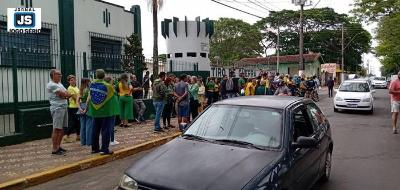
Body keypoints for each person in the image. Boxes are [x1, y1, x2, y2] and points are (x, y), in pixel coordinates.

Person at [87, 69, 119, 155]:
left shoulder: (92, 84)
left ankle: (94, 148)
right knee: (105, 130)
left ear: (96, 75)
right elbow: (113, 94)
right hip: (106, 111)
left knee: (95, 130)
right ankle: (104, 149)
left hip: (95, 111)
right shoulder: (108, 86)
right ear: (104, 75)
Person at [47, 69, 71, 155]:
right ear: (53, 75)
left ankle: (58, 146)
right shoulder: (51, 85)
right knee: (57, 128)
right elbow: (64, 94)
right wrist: (66, 95)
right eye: (58, 74)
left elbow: (67, 93)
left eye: (60, 74)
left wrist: (65, 95)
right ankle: (54, 149)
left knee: (62, 128)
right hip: (57, 108)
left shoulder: (59, 84)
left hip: (64, 107)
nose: (60, 76)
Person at [64, 75, 80, 143]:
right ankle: (66, 135)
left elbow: (79, 95)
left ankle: (78, 136)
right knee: (74, 122)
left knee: (78, 122)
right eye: (71, 80)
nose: (73, 81)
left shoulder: (76, 87)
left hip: (78, 106)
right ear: (69, 81)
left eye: (74, 80)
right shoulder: (70, 88)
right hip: (73, 107)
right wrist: (79, 98)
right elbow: (74, 97)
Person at [77, 78, 92, 146]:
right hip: (87, 108)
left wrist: (80, 108)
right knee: (89, 126)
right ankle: (89, 142)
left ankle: (83, 142)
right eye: (89, 82)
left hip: (81, 108)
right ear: (87, 82)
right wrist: (86, 109)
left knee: (82, 125)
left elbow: (77, 101)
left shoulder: (80, 90)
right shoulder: (88, 90)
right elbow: (88, 100)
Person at [105, 76, 120, 145]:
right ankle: (112, 140)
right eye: (112, 80)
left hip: (110, 107)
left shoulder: (106, 87)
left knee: (109, 124)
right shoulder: (110, 88)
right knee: (111, 124)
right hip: (112, 107)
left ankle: (110, 139)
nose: (113, 81)